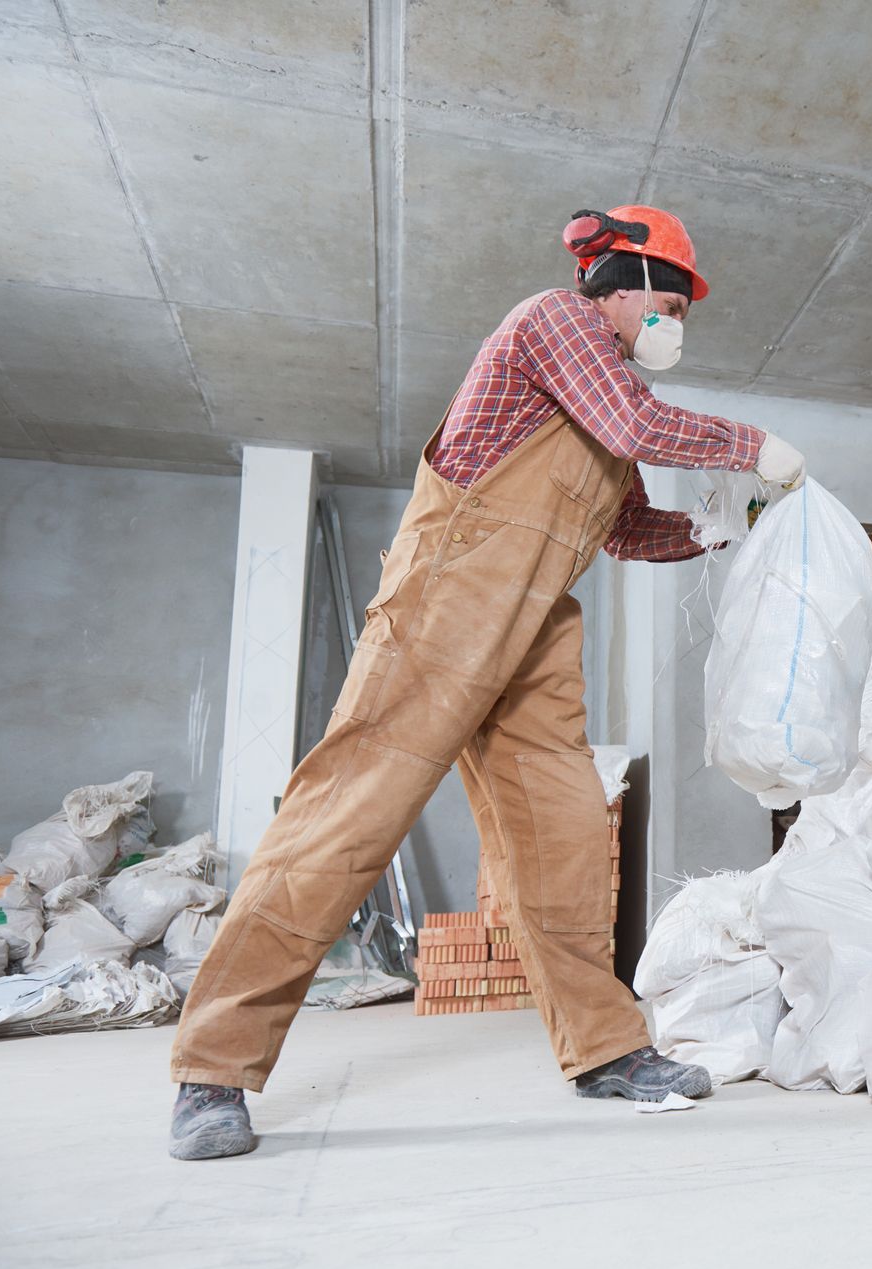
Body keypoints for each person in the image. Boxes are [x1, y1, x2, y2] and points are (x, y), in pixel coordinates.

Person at [166, 205, 805, 1161]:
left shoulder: (607, 391)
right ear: (621, 283)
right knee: (345, 823)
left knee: (565, 843)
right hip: (448, 601)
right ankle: (212, 1068)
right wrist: (749, 445)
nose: (675, 323)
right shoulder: (558, 323)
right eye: (669, 304)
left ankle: (604, 1049)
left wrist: (717, 530)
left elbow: (626, 530)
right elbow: (634, 420)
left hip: (536, 627)